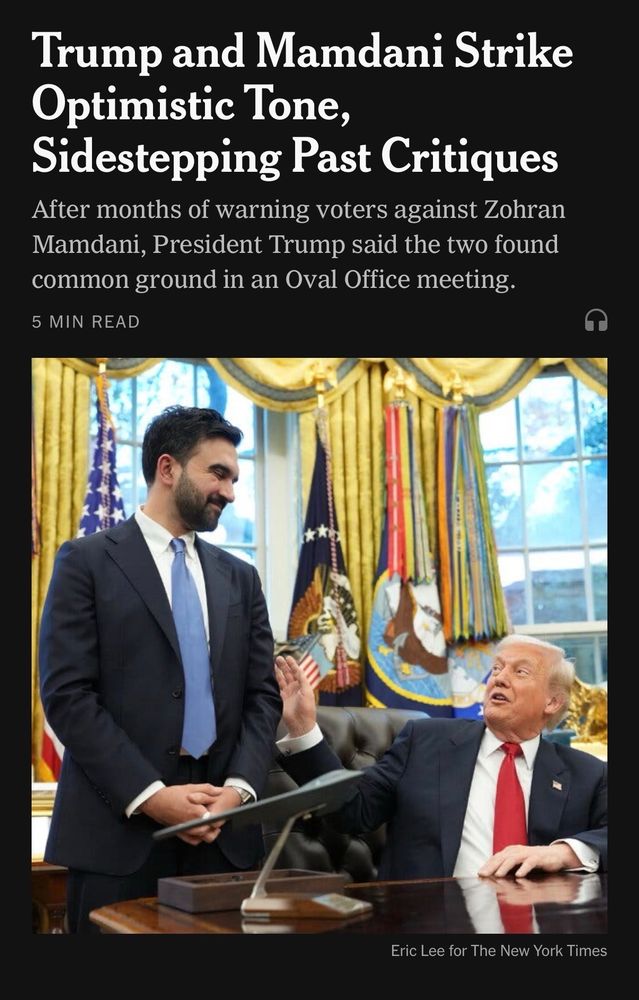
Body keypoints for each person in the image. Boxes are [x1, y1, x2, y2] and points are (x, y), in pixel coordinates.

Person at [40, 405, 282, 933]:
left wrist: (239, 790)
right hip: (117, 836)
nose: (231, 491)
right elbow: (67, 696)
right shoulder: (85, 562)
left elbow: (263, 696)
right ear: (168, 468)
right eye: (218, 473)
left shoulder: (241, 579)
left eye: (235, 478)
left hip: (224, 840)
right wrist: (151, 796)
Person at [274, 634, 607, 880]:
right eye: (497, 668)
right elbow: (352, 809)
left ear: (552, 702)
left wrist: (561, 852)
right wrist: (304, 728)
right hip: (430, 922)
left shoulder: (587, 774)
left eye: (520, 672)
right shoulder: (425, 741)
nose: (499, 678)